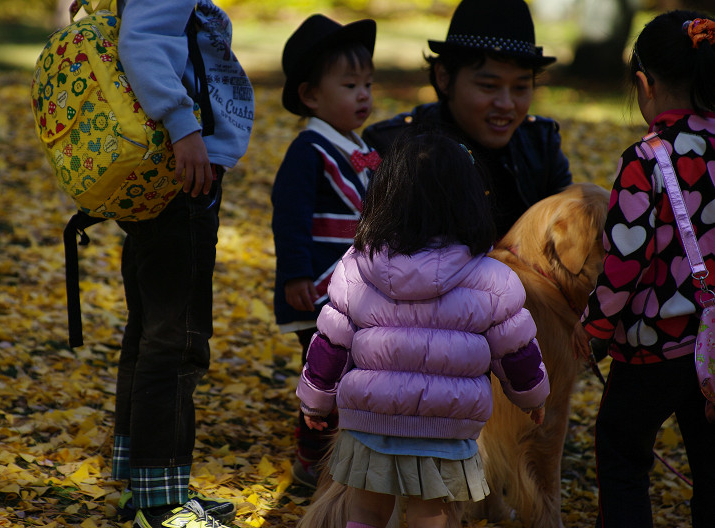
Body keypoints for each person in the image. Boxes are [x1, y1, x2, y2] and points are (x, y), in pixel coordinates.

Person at [297, 130, 549, 528]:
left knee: (365, 510)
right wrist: (532, 398)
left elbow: (330, 344)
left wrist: (315, 402)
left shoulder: (356, 267)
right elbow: (517, 352)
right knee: (431, 513)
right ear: (469, 202)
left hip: (369, 420)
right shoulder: (491, 279)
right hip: (445, 429)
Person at [110, 1, 254, 527]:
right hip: (181, 170)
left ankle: (142, 485)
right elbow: (144, 40)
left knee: (151, 331)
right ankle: (160, 503)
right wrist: (183, 127)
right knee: (177, 339)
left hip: (161, 169)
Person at [571, 10, 715, 528]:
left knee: (621, 453)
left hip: (652, 348)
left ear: (644, 84)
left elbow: (625, 260)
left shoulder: (647, 160)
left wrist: (594, 327)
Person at [271, 14, 378, 489]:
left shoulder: (362, 146)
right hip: (316, 288)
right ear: (311, 95)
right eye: (350, 84)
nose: (364, 95)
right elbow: (289, 214)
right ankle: (312, 457)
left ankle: (343, 453)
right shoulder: (309, 148)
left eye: (368, 84)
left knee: (356, 371)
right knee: (327, 373)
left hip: (358, 290)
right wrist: (294, 273)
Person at [362, 0, 571, 239]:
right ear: (444, 77)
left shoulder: (540, 142)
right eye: (488, 86)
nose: (506, 104)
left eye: (521, 87)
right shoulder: (396, 146)